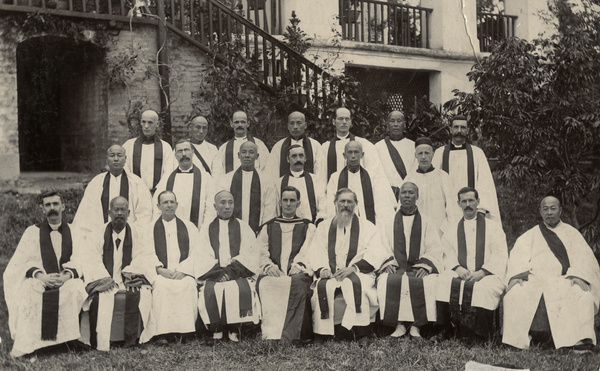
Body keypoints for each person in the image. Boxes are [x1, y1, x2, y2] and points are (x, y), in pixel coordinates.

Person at [502, 196, 600, 352]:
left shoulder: (572, 234)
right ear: (540, 212)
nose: (549, 212)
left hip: (564, 280)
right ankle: (516, 341)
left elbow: (585, 259)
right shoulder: (530, 235)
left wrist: (578, 276)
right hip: (535, 280)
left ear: (560, 211)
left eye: (553, 208)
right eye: (545, 209)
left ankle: (579, 340)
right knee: (516, 294)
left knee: (581, 294)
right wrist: (517, 276)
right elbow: (518, 259)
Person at [4, 191, 87, 357]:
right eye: (48, 205)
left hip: (66, 278)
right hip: (41, 278)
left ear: (63, 206)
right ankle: (33, 344)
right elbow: (20, 262)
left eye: (56, 204)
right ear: (42, 209)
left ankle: (69, 340)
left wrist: (65, 276)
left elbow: (82, 258)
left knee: (76, 288)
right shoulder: (31, 232)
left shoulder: (75, 231)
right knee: (28, 291)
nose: (52, 208)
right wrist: (42, 276)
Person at [80, 196, 160, 351]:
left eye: (123, 209)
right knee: (101, 297)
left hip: (129, 280)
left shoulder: (138, 234)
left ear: (129, 213)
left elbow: (145, 257)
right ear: (109, 212)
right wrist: (104, 279)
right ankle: (103, 341)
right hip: (105, 279)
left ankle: (132, 339)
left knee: (141, 294)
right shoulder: (97, 234)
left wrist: (132, 273)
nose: (119, 213)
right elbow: (91, 259)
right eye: (115, 209)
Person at [309, 188, 387, 343]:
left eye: (349, 201)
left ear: (356, 204)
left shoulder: (368, 227)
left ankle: (361, 332)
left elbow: (376, 251)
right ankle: (322, 333)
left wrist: (354, 268)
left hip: (359, 272)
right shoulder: (324, 227)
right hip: (331, 273)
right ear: (335, 203)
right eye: (342, 201)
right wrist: (323, 269)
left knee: (354, 284)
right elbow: (316, 250)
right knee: (323, 287)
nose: (345, 205)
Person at [436, 187, 507, 341]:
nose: (468, 205)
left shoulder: (493, 227)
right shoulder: (452, 228)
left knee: (484, 288)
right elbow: (446, 252)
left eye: (471, 200)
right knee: (442, 282)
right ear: (459, 204)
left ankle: (480, 334)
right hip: (461, 271)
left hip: (487, 273)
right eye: (464, 201)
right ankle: (445, 328)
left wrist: (482, 272)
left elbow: (500, 254)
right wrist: (458, 268)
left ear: (478, 202)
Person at [376, 182, 442, 339]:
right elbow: (381, 246)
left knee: (427, 281)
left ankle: (416, 325)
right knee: (386, 280)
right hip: (395, 266)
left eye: (411, 193)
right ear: (398, 196)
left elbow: (435, 248)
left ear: (417, 196)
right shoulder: (388, 221)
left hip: (418, 267)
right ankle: (398, 324)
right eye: (403, 192)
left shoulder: (427, 222)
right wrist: (388, 263)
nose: (407, 195)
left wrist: (426, 266)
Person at [139, 191, 204, 344]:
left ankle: (187, 333)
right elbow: (145, 253)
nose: (169, 205)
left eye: (171, 202)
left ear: (177, 205)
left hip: (183, 273)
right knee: (161, 287)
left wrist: (184, 270)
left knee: (188, 285)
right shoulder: (149, 229)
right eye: (165, 202)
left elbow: (197, 252)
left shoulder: (189, 227)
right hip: (161, 274)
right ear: (158, 206)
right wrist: (159, 269)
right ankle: (162, 334)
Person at [197, 191, 260, 343]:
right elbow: (202, 255)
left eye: (230, 202)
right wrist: (220, 273)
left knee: (236, 288)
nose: (227, 206)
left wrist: (231, 271)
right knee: (212, 289)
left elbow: (250, 254)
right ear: (215, 206)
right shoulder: (206, 229)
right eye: (223, 202)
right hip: (215, 275)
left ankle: (234, 329)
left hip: (238, 273)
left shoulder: (243, 227)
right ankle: (217, 331)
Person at [256, 186, 316, 344]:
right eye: (285, 200)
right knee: (266, 285)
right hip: (274, 272)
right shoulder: (268, 226)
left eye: (292, 200)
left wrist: (299, 265)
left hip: (297, 272)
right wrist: (269, 267)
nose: (288, 204)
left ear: (298, 203)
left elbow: (310, 251)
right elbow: (261, 252)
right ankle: (271, 334)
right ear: (280, 203)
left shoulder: (308, 226)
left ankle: (294, 336)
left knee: (298, 285)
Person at [432, 115, 501, 222]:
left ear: (467, 130)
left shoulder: (477, 153)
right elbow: (434, 183)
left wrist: (481, 209)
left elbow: (485, 183)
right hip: (446, 211)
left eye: (463, 127)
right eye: (456, 127)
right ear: (451, 129)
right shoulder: (439, 153)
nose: (459, 131)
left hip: (471, 210)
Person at [73, 144, 152, 234]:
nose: (116, 159)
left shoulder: (137, 183)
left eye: (119, 155)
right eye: (112, 155)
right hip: (100, 236)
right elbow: (87, 213)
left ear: (125, 159)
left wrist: (133, 234)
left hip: (131, 236)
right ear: (106, 160)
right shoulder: (96, 183)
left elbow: (144, 213)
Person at [326, 141, 395, 225]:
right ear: (344, 155)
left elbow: (380, 204)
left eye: (356, 152)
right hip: (344, 222)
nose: (353, 156)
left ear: (362, 155)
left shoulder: (372, 177)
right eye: (350, 152)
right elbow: (330, 203)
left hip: (367, 223)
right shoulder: (335, 177)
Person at [153, 139, 216, 230]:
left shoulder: (205, 178)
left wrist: (204, 230)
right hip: (171, 230)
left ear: (193, 152)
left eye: (186, 150)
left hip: (198, 231)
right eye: (179, 151)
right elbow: (157, 205)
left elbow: (211, 208)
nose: (183, 154)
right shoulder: (166, 178)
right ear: (175, 155)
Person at [403, 137, 457, 233]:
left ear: (432, 154)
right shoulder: (409, 179)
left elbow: (452, 208)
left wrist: (448, 231)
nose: (423, 157)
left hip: (439, 231)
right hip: (416, 230)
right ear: (415, 155)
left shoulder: (443, 176)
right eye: (420, 153)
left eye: (427, 153)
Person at [218, 141, 275, 233]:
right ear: (238, 155)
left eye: (251, 152)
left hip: (259, 233)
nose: (247, 155)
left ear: (257, 156)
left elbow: (270, 211)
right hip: (230, 232)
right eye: (244, 152)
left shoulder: (266, 181)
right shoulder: (227, 179)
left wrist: (263, 232)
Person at [320, 107, 385, 184]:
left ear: (350, 122)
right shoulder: (325, 147)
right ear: (334, 122)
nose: (344, 122)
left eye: (347, 119)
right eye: (340, 119)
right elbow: (322, 175)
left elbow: (374, 170)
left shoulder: (363, 143)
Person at [268, 145, 326, 224]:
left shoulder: (316, 181)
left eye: (301, 156)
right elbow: (274, 210)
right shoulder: (279, 183)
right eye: (294, 156)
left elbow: (323, 206)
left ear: (305, 158)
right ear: (288, 159)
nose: (298, 159)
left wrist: (318, 223)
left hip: (311, 228)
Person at [122, 109, 173, 193]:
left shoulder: (165, 147)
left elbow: (168, 172)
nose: (146, 126)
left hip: (156, 193)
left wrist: (157, 190)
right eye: (143, 122)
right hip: (134, 192)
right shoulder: (129, 145)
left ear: (157, 124)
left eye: (150, 122)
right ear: (140, 122)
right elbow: (125, 168)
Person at [266, 111, 323, 184]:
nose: (295, 127)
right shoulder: (278, 146)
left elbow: (320, 174)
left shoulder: (315, 146)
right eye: (292, 123)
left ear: (305, 125)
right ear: (288, 126)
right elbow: (272, 174)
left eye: (299, 123)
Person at [375, 111, 416, 201]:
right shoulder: (378, 147)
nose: (396, 124)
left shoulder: (413, 146)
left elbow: (415, 171)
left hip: (408, 194)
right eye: (392, 121)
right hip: (386, 195)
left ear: (404, 124)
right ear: (387, 125)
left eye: (399, 121)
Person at [184, 115, 224, 179]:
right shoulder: (182, 148)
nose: (201, 131)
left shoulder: (212, 149)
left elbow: (218, 173)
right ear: (190, 127)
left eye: (204, 128)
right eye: (198, 127)